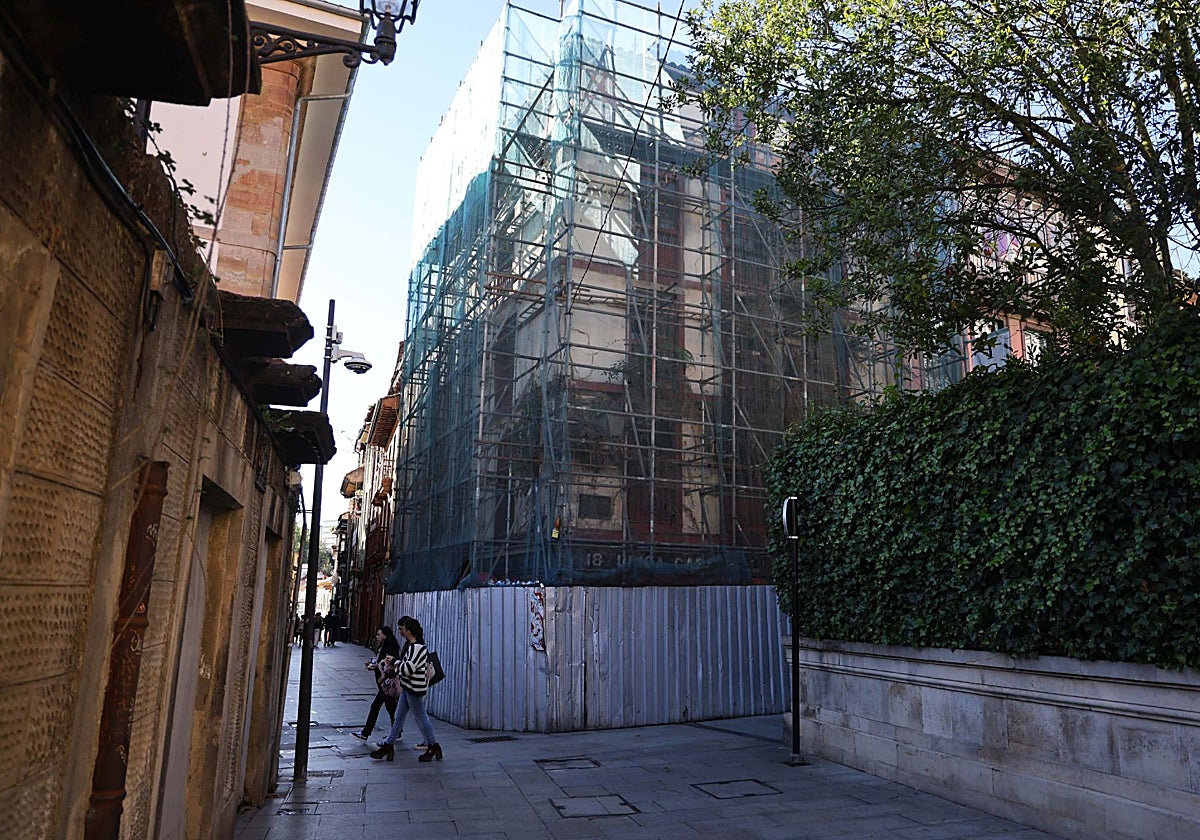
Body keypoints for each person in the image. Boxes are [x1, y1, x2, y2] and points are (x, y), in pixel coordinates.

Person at [370, 617, 442, 763]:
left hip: (414, 688)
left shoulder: (417, 648)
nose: (401, 632)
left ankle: (433, 745)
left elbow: (408, 669)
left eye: (403, 629)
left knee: (420, 717)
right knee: (399, 717)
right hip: (408, 686)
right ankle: (388, 745)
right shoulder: (412, 646)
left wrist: (394, 661)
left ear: (409, 631)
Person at [352, 625, 401, 742]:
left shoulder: (389, 648)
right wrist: (374, 664)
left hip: (386, 683)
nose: (376, 637)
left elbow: (388, 666)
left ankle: (365, 733)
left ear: (385, 635)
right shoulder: (383, 647)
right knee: (391, 709)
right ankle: (397, 732)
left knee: (376, 707)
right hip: (384, 684)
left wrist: (376, 667)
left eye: (379, 634)